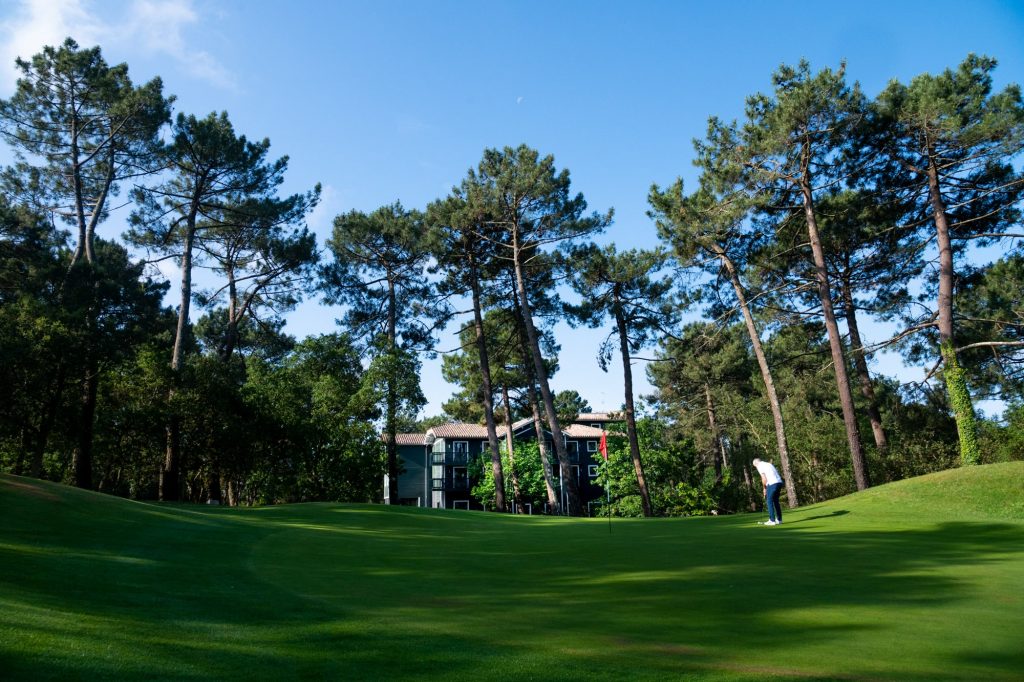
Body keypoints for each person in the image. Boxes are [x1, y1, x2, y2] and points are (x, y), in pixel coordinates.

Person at [752, 458, 784, 525]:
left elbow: (764, 479)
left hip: (772, 483)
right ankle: (779, 520)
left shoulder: (759, 466)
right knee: (775, 501)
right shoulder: (768, 464)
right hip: (779, 482)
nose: (756, 467)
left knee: (769, 501)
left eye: (755, 466)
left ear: (756, 463)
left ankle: (772, 520)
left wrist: (764, 488)